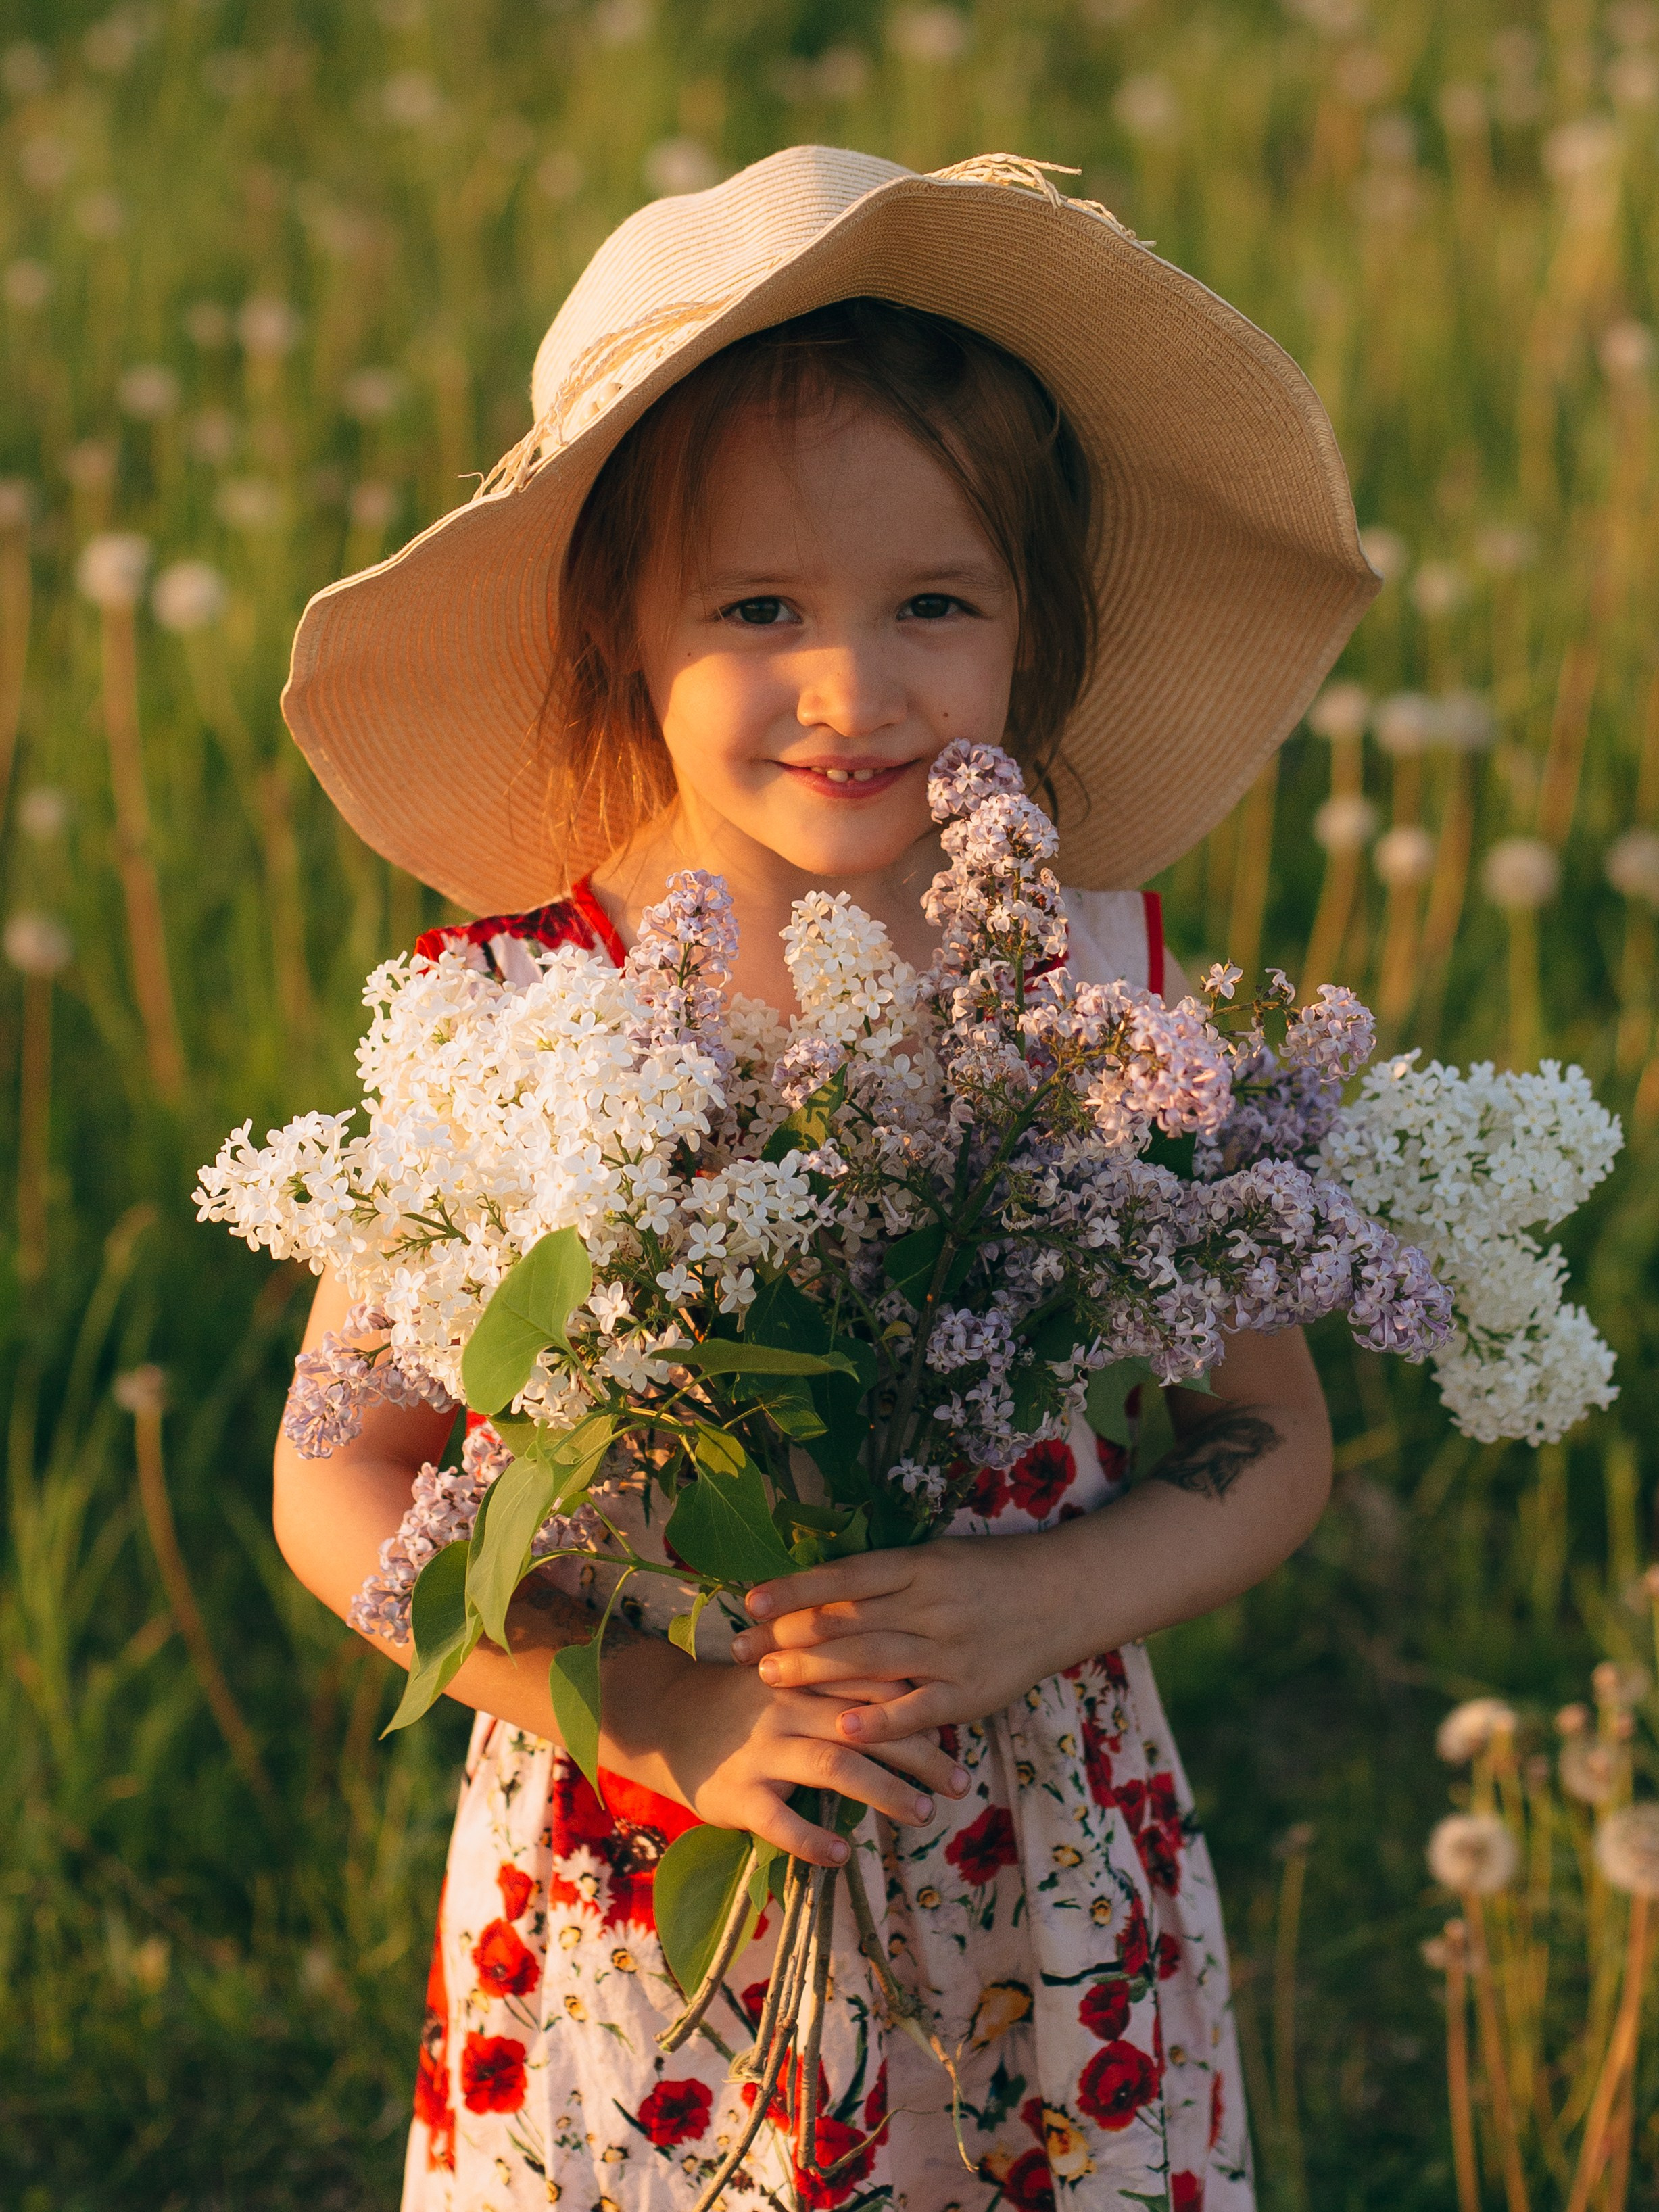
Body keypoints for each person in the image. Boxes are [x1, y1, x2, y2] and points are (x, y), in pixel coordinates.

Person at [273, 147, 1377, 2211]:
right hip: (648, 1845)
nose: (853, 691)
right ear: (621, 622)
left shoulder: (1105, 1001)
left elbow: (1269, 1436)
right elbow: (339, 1473)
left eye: (933, 605)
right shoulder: (519, 1019)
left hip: (1027, 1844)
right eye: (759, 610)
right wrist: (656, 1712)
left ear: (1035, 629)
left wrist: (1042, 1595)